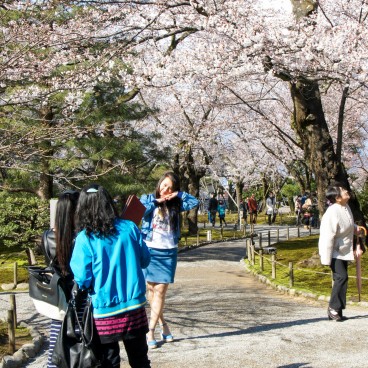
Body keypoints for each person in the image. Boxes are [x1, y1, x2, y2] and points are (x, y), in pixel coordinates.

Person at [70, 184, 151, 368]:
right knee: (140, 359)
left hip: (105, 310)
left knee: (109, 361)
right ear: (108, 203)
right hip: (134, 306)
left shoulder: (85, 238)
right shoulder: (129, 228)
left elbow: (82, 279)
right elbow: (145, 260)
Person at [140, 172, 199, 349]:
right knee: (150, 290)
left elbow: (194, 202)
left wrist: (179, 195)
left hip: (168, 251)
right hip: (149, 249)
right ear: (159, 184)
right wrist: (156, 201)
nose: (165, 190)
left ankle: (149, 331)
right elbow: (142, 211)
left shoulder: (176, 203)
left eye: (170, 188)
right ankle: (162, 324)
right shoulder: (148, 198)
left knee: (160, 291)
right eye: (163, 185)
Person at [40, 190, 80, 368]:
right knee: (82, 348)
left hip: (59, 299)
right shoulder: (81, 239)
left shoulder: (47, 236)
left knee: (56, 346)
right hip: (81, 299)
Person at [318, 183, 365, 322]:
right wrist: (325, 258)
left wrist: (356, 228)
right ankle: (333, 308)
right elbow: (327, 236)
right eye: (343, 191)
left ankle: (337, 309)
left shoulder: (346, 207)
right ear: (337, 197)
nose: (346, 191)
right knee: (341, 277)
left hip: (344, 250)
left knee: (343, 278)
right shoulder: (332, 212)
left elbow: (348, 225)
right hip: (334, 251)